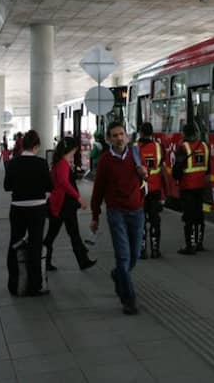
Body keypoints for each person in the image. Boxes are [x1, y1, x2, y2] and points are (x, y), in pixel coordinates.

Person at [90, 122, 147, 314]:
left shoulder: (136, 155)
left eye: (122, 134)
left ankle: (118, 275)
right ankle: (128, 299)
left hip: (137, 211)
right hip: (116, 213)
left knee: (135, 255)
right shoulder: (105, 161)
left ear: (127, 136)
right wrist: (95, 216)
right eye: (114, 135)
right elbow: (97, 190)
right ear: (108, 139)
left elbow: (147, 179)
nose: (119, 138)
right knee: (123, 256)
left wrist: (144, 174)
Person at [3, 129, 52, 296]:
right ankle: (35, 285)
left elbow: (7, 186)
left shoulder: (13, 162)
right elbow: (49, 186)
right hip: (38, 208)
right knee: (35, 244)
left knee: (15, 242)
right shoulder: (41, 163)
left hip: (17, 207)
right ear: (36, 146)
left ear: (22, 145)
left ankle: (15, 283)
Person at [43, 136, 95, 272]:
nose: (75, 153)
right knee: (70, 234)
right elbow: (64, 183)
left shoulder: (61, 163)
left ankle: (46, 260)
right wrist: (79, 198)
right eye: (74, 150)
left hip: (62, 205)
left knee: (60, 234)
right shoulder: (63, 164)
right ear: (70, 149)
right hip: (63, 205)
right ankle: (81, 260)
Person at [173, 123, 209, 255]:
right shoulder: (204, 146)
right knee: (199, 215)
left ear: (185, 134)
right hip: (201, 187)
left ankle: (190, 245)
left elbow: (177, 169)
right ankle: (199, 243)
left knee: (189, 217)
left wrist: (177, 177)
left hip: (187, 187)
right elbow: (208, 167)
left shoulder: (184, 148)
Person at [137, 122, 165, 259]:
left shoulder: (134, 148)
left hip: (139, 190)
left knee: (140, 220)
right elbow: (163, 169)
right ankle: (155, 249)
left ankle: (142, 250)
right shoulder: (159, 148)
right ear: (152, 133)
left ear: (141, 133)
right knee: (155, 219)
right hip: (155, 189)